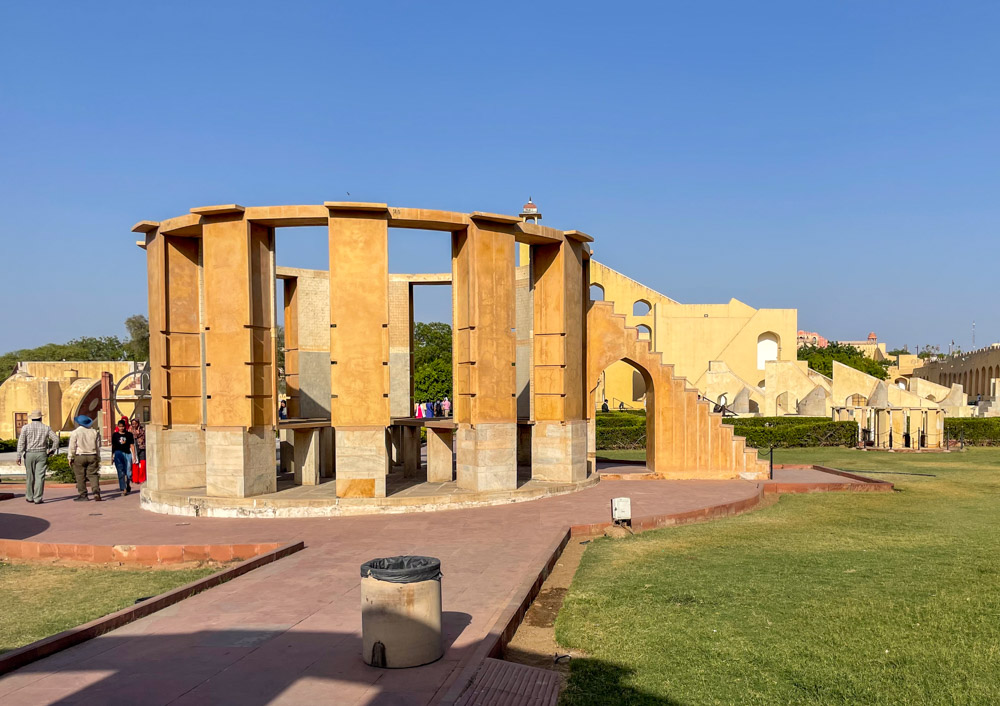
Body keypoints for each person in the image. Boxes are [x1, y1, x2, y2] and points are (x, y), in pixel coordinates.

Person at [16, 409, 59, 504]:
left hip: (29, 453)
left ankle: (29, 496)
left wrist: (19, 455)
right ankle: (38, 498)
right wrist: (52, 450)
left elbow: (21, 442)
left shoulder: (25, 428)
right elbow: (56, 439)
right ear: (40, 418)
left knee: (30, 476)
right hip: (42, 454)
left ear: (32, 418)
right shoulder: (46, 428)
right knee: (40, 476)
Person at [69, 415, 102, 502]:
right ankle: (96, 492)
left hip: (80, 455)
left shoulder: (75, 432)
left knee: (80, 476)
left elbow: (72, 446)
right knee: (93, 475)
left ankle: (83, 495)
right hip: (92, 455)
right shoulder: (94, 432)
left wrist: (70, 457)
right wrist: (98, 456)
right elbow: (98, 446)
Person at [111, 419, 136, 496]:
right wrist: (111, 456)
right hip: (118, 453)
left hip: (127, 454)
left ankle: (128, 484)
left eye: (123, 426)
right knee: (120, 471)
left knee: (128, 472)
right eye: (120, 426)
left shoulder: (129, 435)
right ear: (118, 427)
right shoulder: (115, 435)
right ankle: (123, 488)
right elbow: (113, 446)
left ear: (125, 426)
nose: (121, 428)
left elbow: (132, 445)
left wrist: (134, 456)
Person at [130, 417, 147, 484]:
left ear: (138, 423)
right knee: (135, 463)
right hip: (134, 448)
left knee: (143, 463)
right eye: (133, 424)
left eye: (135, 423)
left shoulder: (142, 429)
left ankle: (142, 478)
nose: (134, 425)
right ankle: (135, 479)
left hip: (142, 447)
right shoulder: (130, 431)